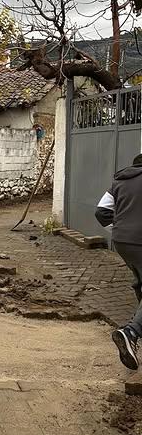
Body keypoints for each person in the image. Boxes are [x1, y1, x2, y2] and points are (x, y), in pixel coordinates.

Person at [95, 153, 142, 370]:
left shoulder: (120, 180)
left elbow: (102, 212)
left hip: (122, 241)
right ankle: (130, 332)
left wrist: (118, 229)